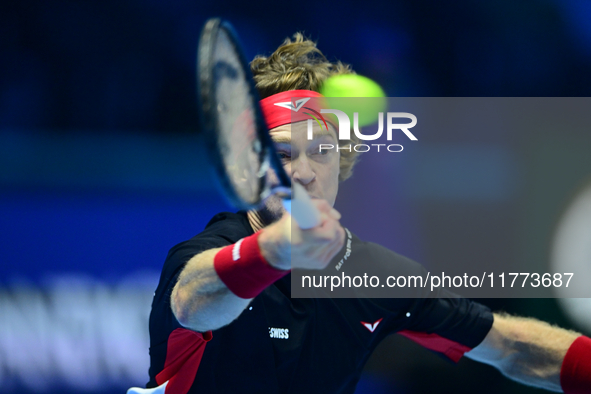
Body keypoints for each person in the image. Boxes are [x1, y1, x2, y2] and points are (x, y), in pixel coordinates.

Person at [133, 34, 591, 394]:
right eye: (284, 154)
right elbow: (193, 301)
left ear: (343, 163)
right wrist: (275, 250)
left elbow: (513, 348)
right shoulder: (207, 253)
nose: (305, 172)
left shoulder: (372, 274)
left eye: (322, 152)